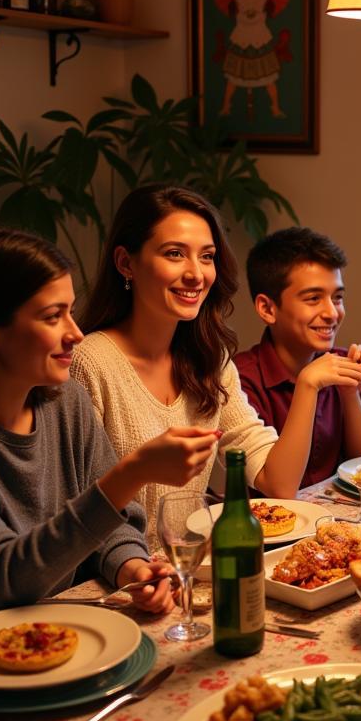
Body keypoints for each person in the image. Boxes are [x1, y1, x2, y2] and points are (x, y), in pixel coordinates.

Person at [0, 228, 214, 630]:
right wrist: (131, 473)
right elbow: (6, 581)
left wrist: (133, 568)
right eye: (53, 317)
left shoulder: (65, 401)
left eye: (71, 310)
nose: (76, 333)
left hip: (65, 632)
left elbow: (110, 524)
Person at [72, 184, 293, 546]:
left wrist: (311, 387)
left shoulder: (210, 358)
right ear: (126, 263)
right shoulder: (89, 362)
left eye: (206, 257)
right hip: (117, 575)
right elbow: (79, 509)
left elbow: (276, 481)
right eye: (175, 254)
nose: (196, 274)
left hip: (189, 567)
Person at [234, 227, 361, 489]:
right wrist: (307, 384)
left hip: (339, 522)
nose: (332, 313)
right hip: (271, 524)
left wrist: (349, 393)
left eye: (337, 298)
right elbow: (279, 488)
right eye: (313, 298)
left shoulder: (342, 363)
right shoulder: (241, 379)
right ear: (267, 308)